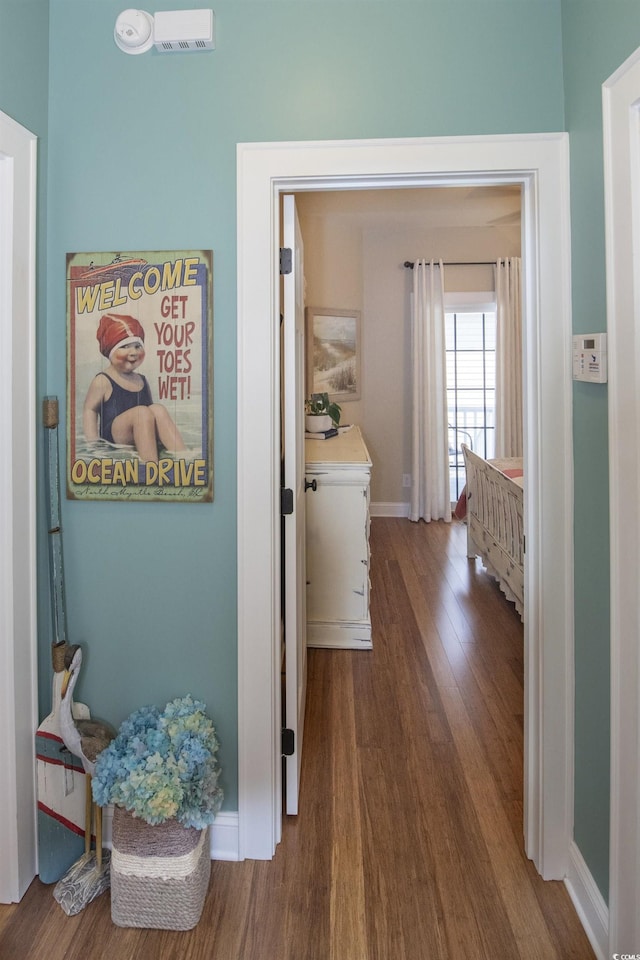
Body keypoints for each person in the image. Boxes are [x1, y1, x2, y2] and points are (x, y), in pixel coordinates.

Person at [83, 313, 185, 464]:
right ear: (110, 352)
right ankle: (151, 465)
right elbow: (90, 410)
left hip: (141, 429)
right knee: (141, 412)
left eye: (138, 346)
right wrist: (93, 443)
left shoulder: (141, 380)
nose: (134, 352)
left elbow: (152, 415)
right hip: (116, 435)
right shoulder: (103, 380)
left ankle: (183, 457)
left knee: (157, 409)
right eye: (124, 347)